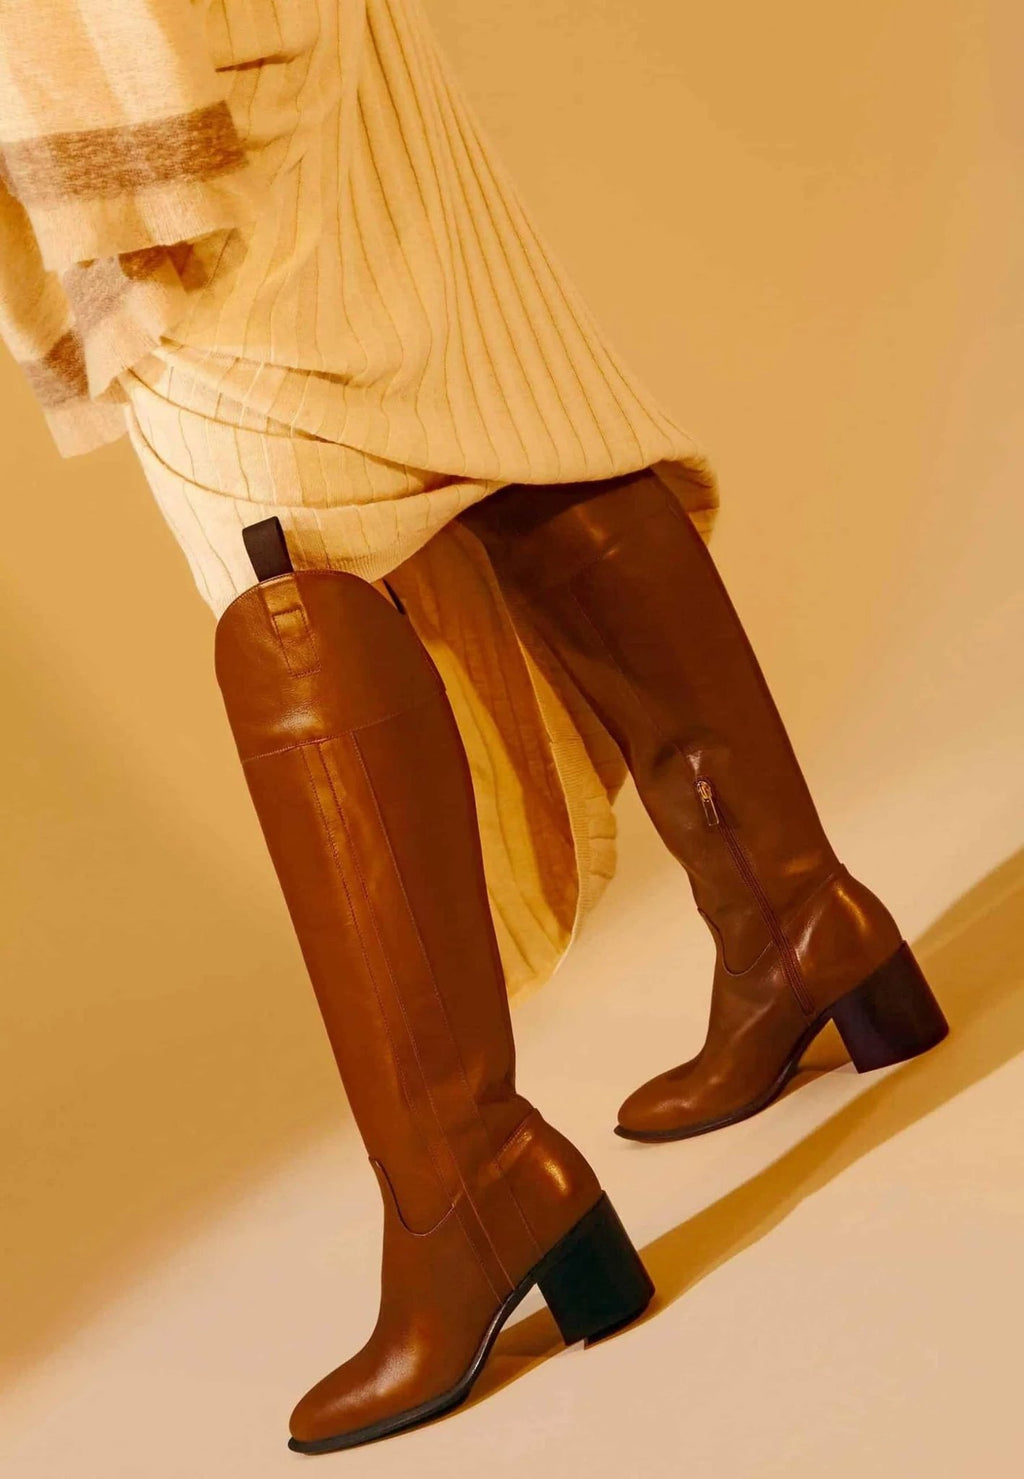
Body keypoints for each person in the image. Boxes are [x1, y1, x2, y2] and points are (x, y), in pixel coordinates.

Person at [0, 0, 948, 1454]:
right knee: (499, 416)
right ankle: (801, 919)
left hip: (153, 58)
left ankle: (468, 1181)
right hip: (312, 47)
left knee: (283, 557)